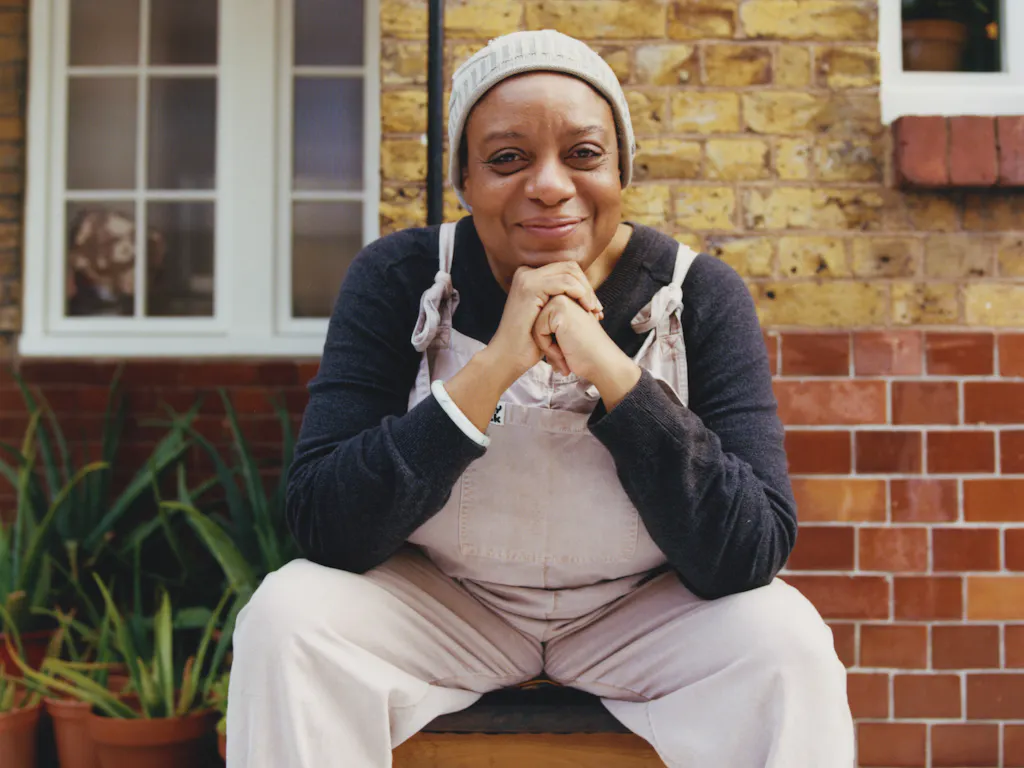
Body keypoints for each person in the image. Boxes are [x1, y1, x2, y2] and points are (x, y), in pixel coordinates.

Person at [227, 29, 854, 767]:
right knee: (288, 618)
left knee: (786, 644)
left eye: (583, 154)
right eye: (507, 159)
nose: (550, 185)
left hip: (641, 615)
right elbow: (327, 525)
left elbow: (749, 551)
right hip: (447, 608)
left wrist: (613, 373)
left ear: (622, 169)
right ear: (464, 179)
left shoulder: (699, 295)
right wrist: (495, 365)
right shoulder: (398, 278)